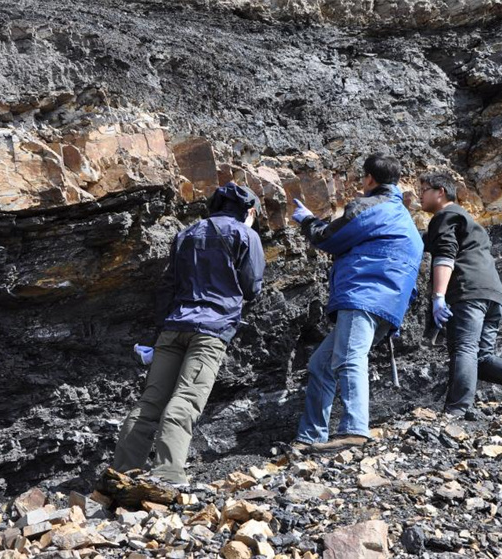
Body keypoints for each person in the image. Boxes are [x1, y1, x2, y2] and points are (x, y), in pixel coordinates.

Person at [111, 182, 265, 484]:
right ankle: (168, 473)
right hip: (211, 330)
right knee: (185, 400)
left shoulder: (187, 233)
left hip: (172, 327)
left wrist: (162, 327)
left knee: (150, 401)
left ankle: (122, 472)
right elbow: (252, 288)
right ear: (248, 210)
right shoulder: (246, 234)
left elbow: (167, 286)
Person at [290, 154, 424, 452]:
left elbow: (328, 238)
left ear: (369, 179)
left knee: (350, 358)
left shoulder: (370, 207)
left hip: (365, 293)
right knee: (321, 364)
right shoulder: (400, 213)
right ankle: (310, 436)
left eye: (362, 179)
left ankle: (354, 429)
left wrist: (308, 220)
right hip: (388, 303)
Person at [419, 172, 502, 419]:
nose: (419, 195)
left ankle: (457, 410)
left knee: (464, 348)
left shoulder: (445, 215)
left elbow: (445, 255)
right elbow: (428, 242)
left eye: (424, 189)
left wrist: (438, 296)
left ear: (440, 192)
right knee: (482, 356)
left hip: (468, 291)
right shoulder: (469, 222)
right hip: (494, 294)